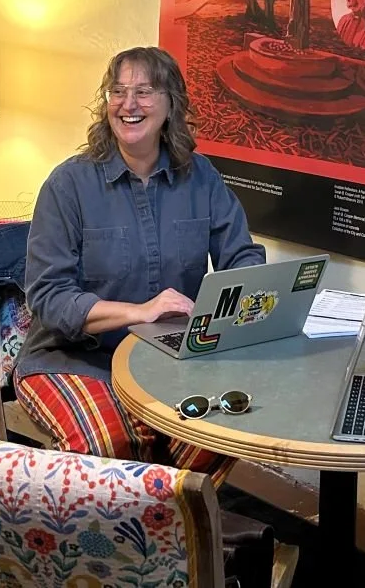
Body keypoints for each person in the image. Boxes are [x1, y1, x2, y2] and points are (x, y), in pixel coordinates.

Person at [14, 46, 265, 483]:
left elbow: (241, 257)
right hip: (74, 357)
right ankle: (124, 541)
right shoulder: (67, 184)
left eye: (144, 92)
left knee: (222, 429)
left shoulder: (200, 176)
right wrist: (139, 312)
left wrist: (249, 299)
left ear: (171, 105)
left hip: (170, 356)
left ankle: (173, 539)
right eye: (118, 91)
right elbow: (50, 300)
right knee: (115, 446)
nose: (128, 105)